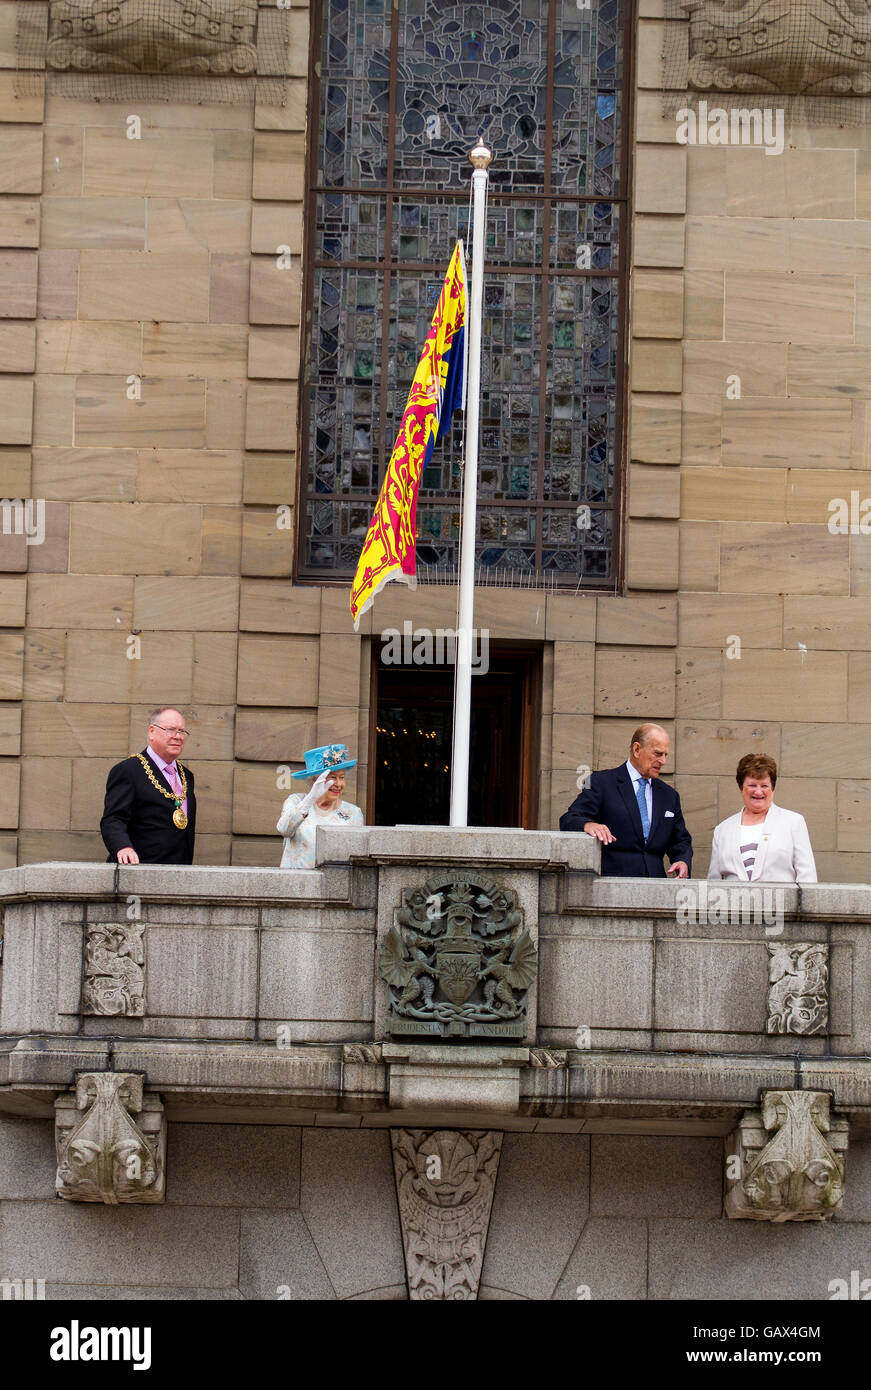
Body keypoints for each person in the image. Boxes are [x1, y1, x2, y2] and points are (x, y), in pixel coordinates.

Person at [560, 723, 692, 878]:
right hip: (612, 886)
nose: (663, 761)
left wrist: (682, 861)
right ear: (637, 750)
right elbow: (569, 819)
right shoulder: (601, 782)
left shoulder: (669, 795)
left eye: (665, 755)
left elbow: (680, 840)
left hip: (656, 888)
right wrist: (588, 825)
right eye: (657, 754)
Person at [100, 707, 196, 864]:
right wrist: (123, 847)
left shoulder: (187, 776)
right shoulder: (128, 770)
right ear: (152, 731)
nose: (177, 736)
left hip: (179, 874)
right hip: (140, 870)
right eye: (171, 730)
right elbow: (113, 819)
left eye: (181, 731)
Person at [708, 753, 816, 882]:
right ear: (741, 788)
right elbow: (713, 883)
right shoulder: (723, 829)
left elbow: (807, 877)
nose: (758, 792)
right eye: (752, 785)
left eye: (764, 786)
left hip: (781, 901)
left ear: (773, 788)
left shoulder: (793, 822)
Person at [278, 743, 364, 868]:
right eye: (332, 777)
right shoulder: (296, 802)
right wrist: (310, 798)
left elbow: (356, 858)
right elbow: (284, 829)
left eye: (342, 777)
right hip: (296, 884)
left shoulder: (353, 813)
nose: (338, 784)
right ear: (315, 781)